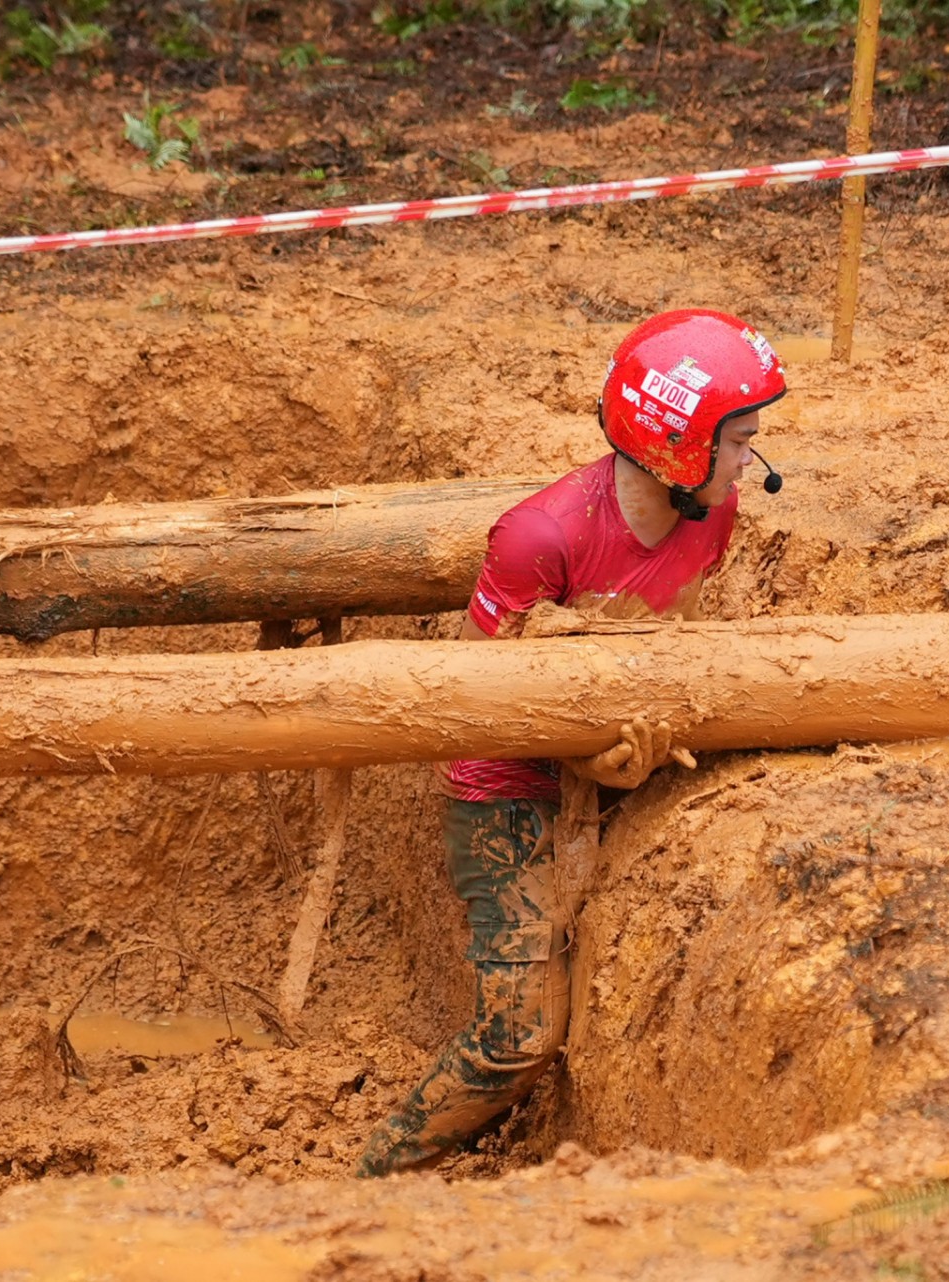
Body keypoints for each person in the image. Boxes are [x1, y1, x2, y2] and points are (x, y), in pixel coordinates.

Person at [354, 308, 788, 1177]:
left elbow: (680, 639)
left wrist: (639, 750)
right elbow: (477, 702)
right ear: (674, 444)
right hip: (507, 787)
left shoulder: (713, 511)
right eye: (738, 441)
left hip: (625, 753)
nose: (751, 463)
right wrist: (588, 759)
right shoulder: (538, 536)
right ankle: (379, 1173)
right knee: (519, 1039)